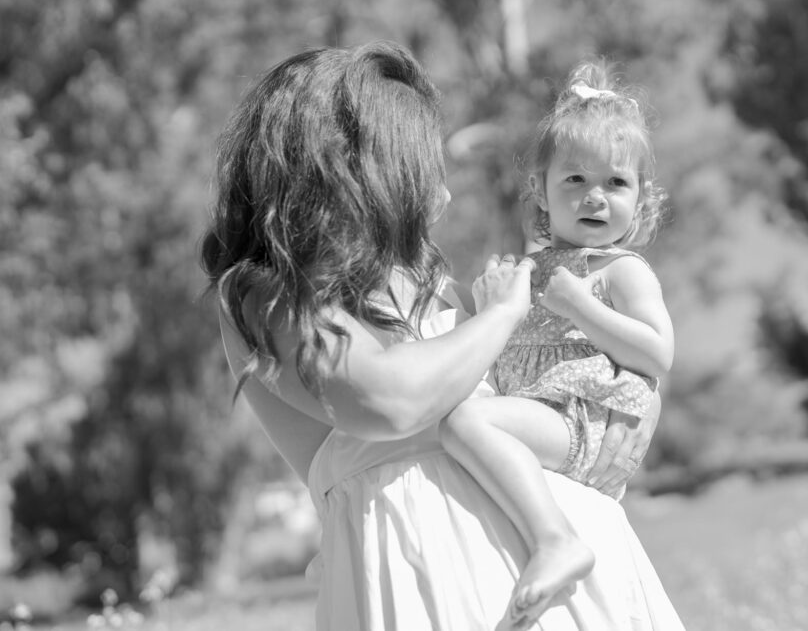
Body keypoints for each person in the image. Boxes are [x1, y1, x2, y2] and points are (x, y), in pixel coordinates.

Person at [200, 41, 685, 631]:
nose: (444, 196)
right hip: (422, 573)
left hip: (576, 574)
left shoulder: (433, 286)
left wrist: (635, 397)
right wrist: (501, 315)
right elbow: (387, 400)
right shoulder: (264, 293)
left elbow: (554, 380)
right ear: (361, 168)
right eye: (422, 170)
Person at [439, 60, 674, 627]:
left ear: (640, 198)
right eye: (575, 180)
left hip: (580, 421)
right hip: (540, 413)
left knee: (466, 424)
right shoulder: (533, 268)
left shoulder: (620, 270)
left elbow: (658, 354)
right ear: (540, 193)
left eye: (615, 182)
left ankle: (556, 542)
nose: (596, 196)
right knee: (455, 408)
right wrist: (491, 308)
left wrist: (583, 307)